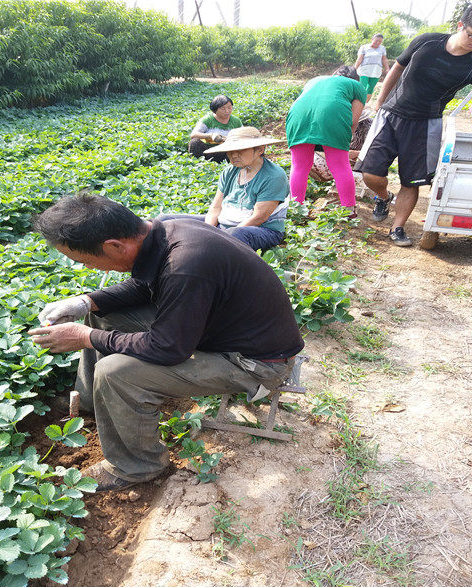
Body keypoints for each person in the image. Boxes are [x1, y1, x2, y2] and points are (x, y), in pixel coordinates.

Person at [28, 192, 304, 492]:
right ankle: (94, 402)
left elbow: (168, 348)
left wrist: (85, 337)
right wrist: (87, 302)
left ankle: (138, 466)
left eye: (84, 260)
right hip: (216, 329)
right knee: (103, 317)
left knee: (116, 373)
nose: (87, 268)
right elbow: (143, 286)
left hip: (255, 362)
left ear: (115, 246)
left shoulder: (186, 264)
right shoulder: (165, 230)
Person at [355, 4, 472, 247]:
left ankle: (397, 227)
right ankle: (383, 197)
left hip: (427, 124)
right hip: (391, 114)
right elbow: (397, 68)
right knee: (370, 173)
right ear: (460, 26)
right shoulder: (426, 42)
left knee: (411, 181)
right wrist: (381, 101)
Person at [166, 126, 289, 251]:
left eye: (240, 150)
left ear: (259, 150)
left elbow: (259, 217)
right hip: (224, 224)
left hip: (261, 230)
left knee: (234, 235)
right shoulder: (229, 171)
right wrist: (207, 232)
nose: (233, 155)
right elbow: (215, 208)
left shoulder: (273, 176)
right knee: (167, 221)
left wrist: (221, 237)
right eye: (230, 151)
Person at [285, 66, 367, 216]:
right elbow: (353, 121)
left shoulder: (315, 80)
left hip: (297, 116)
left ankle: (296, 208)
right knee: (340, 165)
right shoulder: (357, 86)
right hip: (332, 115)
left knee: (299, 165)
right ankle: (348, 210)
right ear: (356, 79)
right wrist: (344, 143)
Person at [188, 94, 243, 162]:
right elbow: (194, 134)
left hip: (227, 151)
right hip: (208, 151)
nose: (227, 111)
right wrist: (210, 135)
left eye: (229, 107)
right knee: (194, 142)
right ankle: (198, 162)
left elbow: (243, 135)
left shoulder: (236, 121)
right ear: (215, 110)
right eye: (223, 108)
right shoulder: (207, 120)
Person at [354, 33, 390, 102]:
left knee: (370, 88)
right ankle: (357, 102)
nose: (378, 43)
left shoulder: (382, 48)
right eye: (376, 40)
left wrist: (387, 68)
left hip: (376, 71)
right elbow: (360, 59)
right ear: (372, 39)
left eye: (380, 41)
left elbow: (384, 59)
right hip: (364, 70)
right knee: (361, 87)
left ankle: (365, 104)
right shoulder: (364, 47)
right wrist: (354, 69)